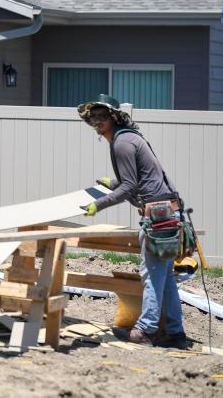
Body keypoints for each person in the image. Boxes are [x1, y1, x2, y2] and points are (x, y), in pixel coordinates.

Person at [77, 94, 189, 348]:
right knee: (166, 277)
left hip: (160, 216)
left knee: (151, 274)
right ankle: (175, 333)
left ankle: (146, 330)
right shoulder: (128, 138)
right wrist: (113, 182)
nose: (97, 121)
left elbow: (131, 186)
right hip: (168, 212)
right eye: (93, 117)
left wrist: (99, 204)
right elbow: (140, 177)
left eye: (102, 116)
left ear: (114, 117)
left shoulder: (122, 143)